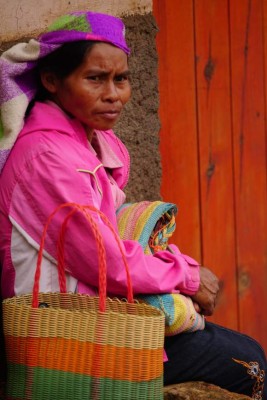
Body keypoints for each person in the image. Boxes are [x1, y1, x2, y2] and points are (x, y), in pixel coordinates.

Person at [0, 11, 266, 399]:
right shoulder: (48, 156)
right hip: (69, 331)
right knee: (250, 363)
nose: (114, 94)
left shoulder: (82, 142)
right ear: (51, 81)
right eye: (95, 79)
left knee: (245, 353)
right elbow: (104, 260)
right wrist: (187, 275)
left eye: (120, 79)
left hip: (96, 313)